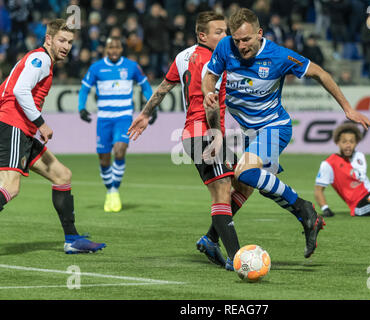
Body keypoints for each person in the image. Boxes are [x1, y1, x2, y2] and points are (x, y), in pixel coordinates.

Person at [202, 8, 370, 259]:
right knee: (244, 186)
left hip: (274, 127)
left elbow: (320, 73)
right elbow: (210, 76)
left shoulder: (279, 56)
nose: (241, 46)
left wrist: (348, 108)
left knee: (245, 173)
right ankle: (212, 238)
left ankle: (304, 208)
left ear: (259, 34)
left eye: (246, 39)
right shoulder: (225, 47)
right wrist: (209, 92)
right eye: (237, 40)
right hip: (250, 132)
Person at [128, 11, 253, 271]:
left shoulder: (182, 56)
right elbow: (211, 105)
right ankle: (236, 259)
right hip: (204, 133)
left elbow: (163, 88)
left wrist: (145, 113)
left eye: (225, 31)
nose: (225, 36)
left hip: (199, 133)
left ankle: (211, 239)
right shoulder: (213, 62)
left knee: (244, 183)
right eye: (219, 32)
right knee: (221, 193)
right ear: (202, 35)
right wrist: (216, 134)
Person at [0, 19, 106, 254]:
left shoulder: (42, 60)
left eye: (69, 42)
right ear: (48, 39)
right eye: (61, 40)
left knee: (62, 175)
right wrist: (42, 124)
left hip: (21, 129)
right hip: (12, 125)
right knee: (10, 187)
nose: (66, 46)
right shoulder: (41, 59)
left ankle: (72, 239)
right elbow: (19, 90)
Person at [78, 36, 153, 213]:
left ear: (121, 49)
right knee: (104, 159)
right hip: (104, 119)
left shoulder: (132, 66)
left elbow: (145, 86)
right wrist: (81, 107)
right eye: (110, 48)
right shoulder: (96, 67)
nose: (113, 51)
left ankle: (113, 191)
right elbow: (84, 88)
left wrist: (150, 107)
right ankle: (110, 190)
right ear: (106, 49)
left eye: (117, 47)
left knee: (119, 151)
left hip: (124, 117)